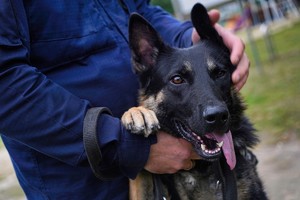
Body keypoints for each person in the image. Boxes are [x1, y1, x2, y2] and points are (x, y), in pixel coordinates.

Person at [0, 0, 250, 199]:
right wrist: (127, 145)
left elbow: (138, 10)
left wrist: (192, 41)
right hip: (80, 180)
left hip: (168, 151)